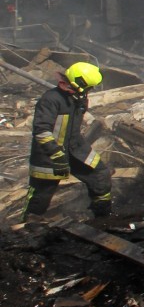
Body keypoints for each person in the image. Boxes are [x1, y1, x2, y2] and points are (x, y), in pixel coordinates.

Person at [23, 61, 112, 222]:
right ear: (80, 84)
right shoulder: (51, 99)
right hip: (49, 154)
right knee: (42, 194)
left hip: (75, 149)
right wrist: (55, 153)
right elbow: (41, 130)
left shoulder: (78, 98)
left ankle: (103, 217)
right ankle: (27, 227)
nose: (89, 91)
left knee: (100, 173)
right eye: (89, 88)